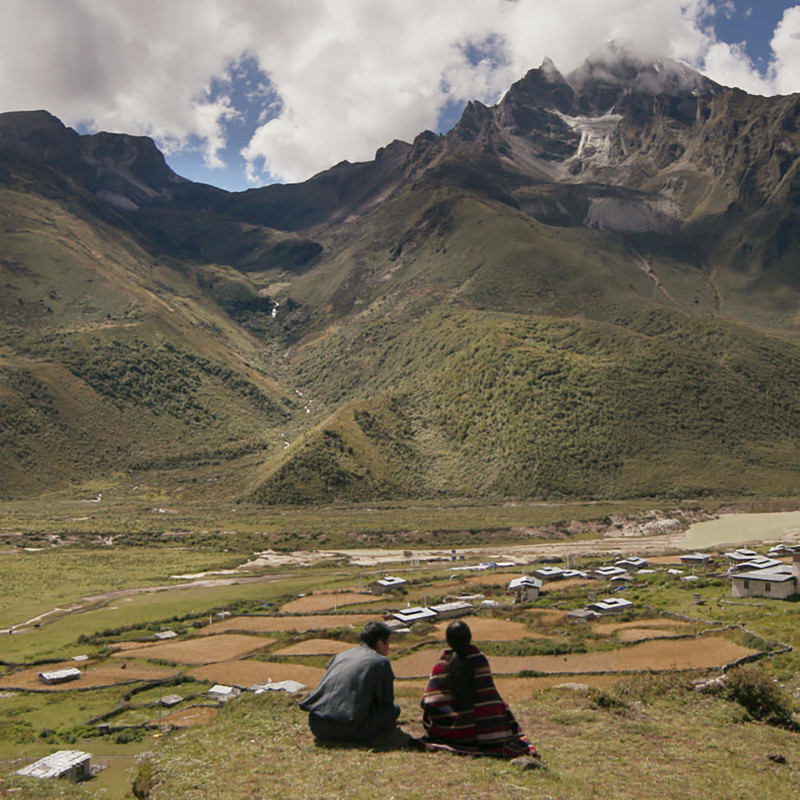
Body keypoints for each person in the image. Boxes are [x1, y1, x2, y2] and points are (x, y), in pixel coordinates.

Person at [419, 619, 539, 758]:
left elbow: (429, 702)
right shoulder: (479, 660)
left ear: (448, 641)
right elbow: (489, 695)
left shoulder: (441, 665)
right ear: (469, 638)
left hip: (454, 733)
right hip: (489, 735)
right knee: (502, 706)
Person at [299, 620, 400, 742]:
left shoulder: (340, 656)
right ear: (379, 643)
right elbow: (386, 703)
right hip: (350, 730)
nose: (389, 648)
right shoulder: (381, 662)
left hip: (316, 725)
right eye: (388, 643)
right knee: (394, 710)